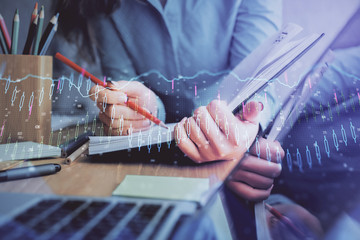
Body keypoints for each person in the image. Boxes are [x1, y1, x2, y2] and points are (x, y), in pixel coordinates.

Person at [53, 0, 284, 201]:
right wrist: (145, 112)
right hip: (173, 157)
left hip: (250, 150)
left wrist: (245, 136)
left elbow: (259, 81)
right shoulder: (104, 5)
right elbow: (129, 89)